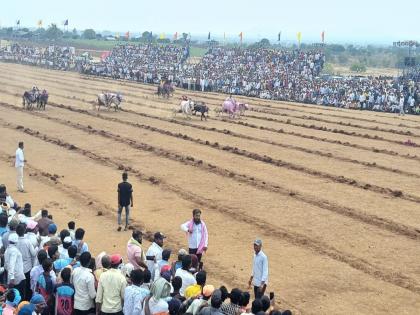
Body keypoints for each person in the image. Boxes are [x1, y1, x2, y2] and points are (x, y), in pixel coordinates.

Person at [16, 223, 36, 299]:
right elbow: (33, 254)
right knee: (28, 286)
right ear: (24, 231)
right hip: (27, 268)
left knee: (19, 287)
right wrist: (37, 248)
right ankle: (27, 300)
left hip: (18, 268)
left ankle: (20, 300)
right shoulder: (27, 241)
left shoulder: (15, 242)